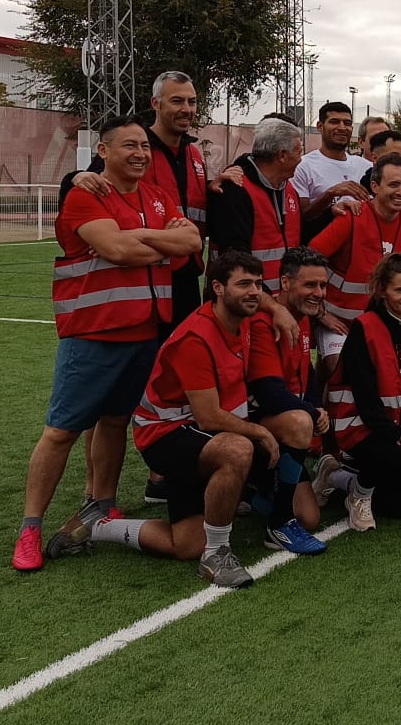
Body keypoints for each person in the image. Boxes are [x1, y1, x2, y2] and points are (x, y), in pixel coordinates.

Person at [15, 116, 202, 572]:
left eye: (144, 146)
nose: (140, 153)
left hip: (146, 334)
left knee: (115, 422)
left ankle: (103, 504)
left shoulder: (157, 196)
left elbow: (192, 241)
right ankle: (30, 528)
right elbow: (118, 251)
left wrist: (139, 238)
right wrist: (158, 244)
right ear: (103, 151)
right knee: (61, 431)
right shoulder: (86, 195)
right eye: (129, 146)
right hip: (93, 335)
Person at [46, 251, 272, 587]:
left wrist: (279, 310)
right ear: (218, 288)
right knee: (239, 449)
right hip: (165, 435)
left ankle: (99, 526)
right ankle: (217, 554)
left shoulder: (244, 318)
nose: (254, 292)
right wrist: (260, 432)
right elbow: (209, 417)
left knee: (186, 544)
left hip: (197, 434)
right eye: (244, 284)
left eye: (258, 283)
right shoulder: (197, 336)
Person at [67, 70, 212, 326]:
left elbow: (194, 214)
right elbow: (90, 183)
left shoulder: (194, 153)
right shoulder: (133, 148)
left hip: (187, 277)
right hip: (143, 276)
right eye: (177, 101)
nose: (187, 109)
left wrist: (217, 184)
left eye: (192, 101)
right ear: (155, 103)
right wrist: (74, 177)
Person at [312, 254, 401, 532]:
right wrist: (391, 432)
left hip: (400, 428)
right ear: (382, 290)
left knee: (396, 508)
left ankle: (335, 476)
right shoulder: (364, 327)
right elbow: (363, 392)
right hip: (358, 421)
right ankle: (358, 494)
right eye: (399, 290)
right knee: (387, 454)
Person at [242, 247, 335, 554]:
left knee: (309, 517)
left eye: (322, 285)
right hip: (249, 426)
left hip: (277, 424)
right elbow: (269, 394)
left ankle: (248, 490)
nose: (319, 293)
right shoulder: (264, 323)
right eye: (310, 285)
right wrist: (312, 413)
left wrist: (316, 406)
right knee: (299, 422)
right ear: (285, 283)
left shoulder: (301, 317)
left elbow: (306, 373)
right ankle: (278, 526)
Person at [310, 153, 401, 323]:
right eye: (393, 185)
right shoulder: (352, 216)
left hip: (388, 324)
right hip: (342, 323)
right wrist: (320, 313)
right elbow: (309, 260)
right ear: (375, 186)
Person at [207, 117, 305, 293]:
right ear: (282, 155)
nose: (301, 159)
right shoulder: (235, 190)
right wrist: (267, 301)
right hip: (245, 302)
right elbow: (235, 258)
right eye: (299, 152)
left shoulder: (289, 189)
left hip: (281, 300)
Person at [294, 101, 372, 225]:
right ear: (320, 126)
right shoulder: (303, 166)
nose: (342, 128)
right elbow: (299, 217)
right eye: (334, 122)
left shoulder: (366, 167)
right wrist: (331, 193)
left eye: (347, 123)